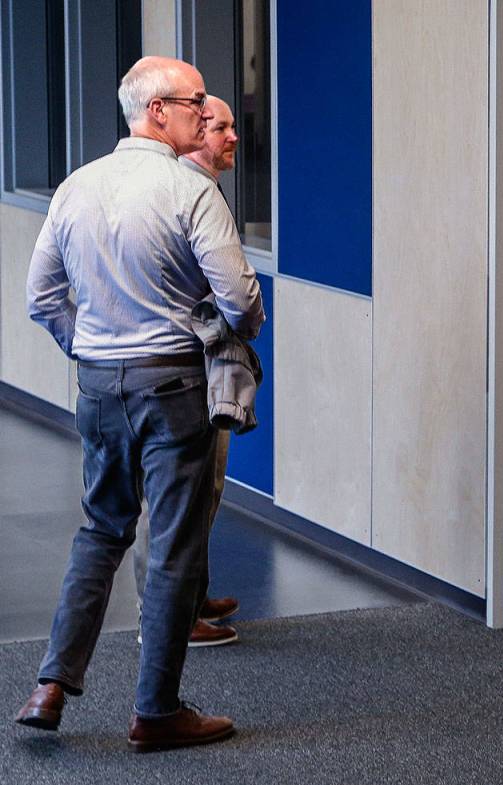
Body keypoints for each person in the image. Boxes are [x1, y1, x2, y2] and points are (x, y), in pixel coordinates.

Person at [14, 57, 264, 750]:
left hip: (97, 384)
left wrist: (93, 348)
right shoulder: (189, 190)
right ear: (158, 111)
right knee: (175, 547)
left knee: (100, 532)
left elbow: (42, 298)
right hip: (174, 385)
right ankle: (156, 711)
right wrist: (223, 328)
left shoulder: (75, 187)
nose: (202, 113)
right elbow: (241, 301)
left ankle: (51, 684)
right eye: (192, 103)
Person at [132, 95, 242, 648]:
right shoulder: (189, 194)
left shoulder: (203, 190)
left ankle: (190, 594)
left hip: (201, 361)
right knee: (173, 497)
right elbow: (234, 294)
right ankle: (167, 616)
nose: (230, 136)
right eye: (218, 126)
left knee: (205, 488)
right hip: (186, 365)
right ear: (194, 132)